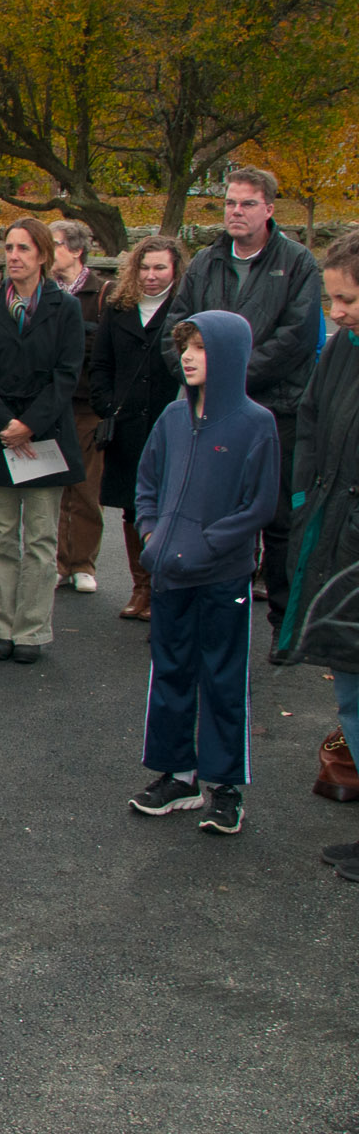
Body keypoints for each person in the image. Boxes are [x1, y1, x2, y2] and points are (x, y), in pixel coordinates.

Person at [128, 312, 279, 836]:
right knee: (169, 670)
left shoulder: (256, 423)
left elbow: (258, 506)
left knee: (222, 676)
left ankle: (225, 786)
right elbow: (146, 481)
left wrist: (209, 544)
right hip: (169, 573)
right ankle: (178, 774)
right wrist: (152, 536)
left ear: (230, 356)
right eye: (185, 347)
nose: (188, 357)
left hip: (222, 576)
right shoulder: (171, 417)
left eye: (201, 348)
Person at [162, 166, 322, 648]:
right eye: (230, 202)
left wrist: (229, 375)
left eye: (247, 203)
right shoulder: (206, 263)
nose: (236, 211)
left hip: (276, 409)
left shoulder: (298, 264)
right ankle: (207, 618)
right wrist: (199, 376)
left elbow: (295, 339)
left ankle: (283, 628)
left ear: (270, 209)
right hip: (208, 413)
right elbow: (177, 326)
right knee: (211, 514)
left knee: (277, 522)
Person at [0, 217, 85, 664]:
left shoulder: (66, 308)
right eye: (9, 248)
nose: (14, 256)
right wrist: (6, 425)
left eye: (24, 249)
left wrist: (29, 425)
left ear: (42, 257)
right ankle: (1, 627)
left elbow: (67, 375)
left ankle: (31, 629)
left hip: (45, 437)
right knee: (1, 539)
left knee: (39, 540)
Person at [275, 231, 359, 878]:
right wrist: (306, 495)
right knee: (351, 692)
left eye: (349, 299)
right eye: (333, 299)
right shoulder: (340, 353)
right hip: (334, 544)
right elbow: (308, 420)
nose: (338, 311)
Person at [90, 235, 186, 621]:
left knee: (173, 506)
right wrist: (108, 406)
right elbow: (101, 364)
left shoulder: (185, 309)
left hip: (172, 422)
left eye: (160, 267)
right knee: (134, 507)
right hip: (128, 425)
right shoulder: (118, 308)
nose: (150, 276)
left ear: (176, 270)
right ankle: (142, 587)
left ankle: (168, 587)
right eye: (144, 267)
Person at [50, 220, 109, 592]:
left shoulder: (102, 293)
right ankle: (56, 560)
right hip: (49, 405)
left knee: (87, 489)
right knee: (52, 488)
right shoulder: (38, 291)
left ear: (75, 249)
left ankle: (83, 562)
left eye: (53, 244)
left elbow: (104, 350)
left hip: (87, 404)